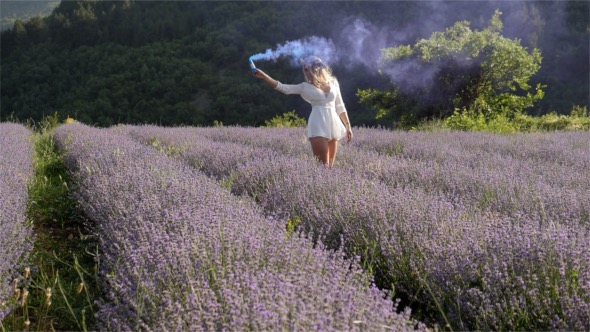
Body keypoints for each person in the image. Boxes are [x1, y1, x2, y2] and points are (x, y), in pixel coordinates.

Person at [253, 56, 353, 167]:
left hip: (333, 125)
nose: (305, 72)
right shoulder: (304, 87)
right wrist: (264, 76)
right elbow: (283, 88)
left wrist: (348, 126)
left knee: (330, 168)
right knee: (323, 167)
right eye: (304, 69)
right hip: (318, 125)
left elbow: (340, 105)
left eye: (306, 69)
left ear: (316, 68)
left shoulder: (333, 82)